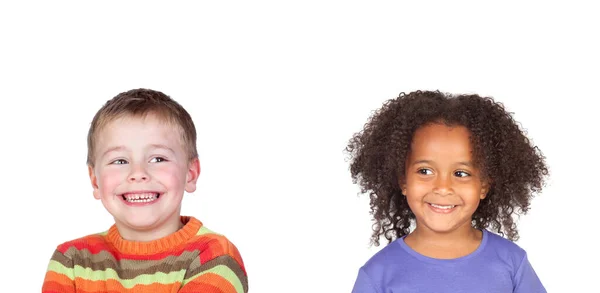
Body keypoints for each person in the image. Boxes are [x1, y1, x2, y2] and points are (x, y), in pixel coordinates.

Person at [42, 89, 248, 293]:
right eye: (119, 161)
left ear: (191, 174)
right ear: (95, 181)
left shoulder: (215, 257)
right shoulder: (71, 262)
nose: (138, 173)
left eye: (158, 159)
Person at [346, 90, 548, 293]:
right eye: (425, 171)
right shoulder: (378, 274)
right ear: (403, 181)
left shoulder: (512, 263)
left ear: (484, 185)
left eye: (461, 173)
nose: (443, 187)